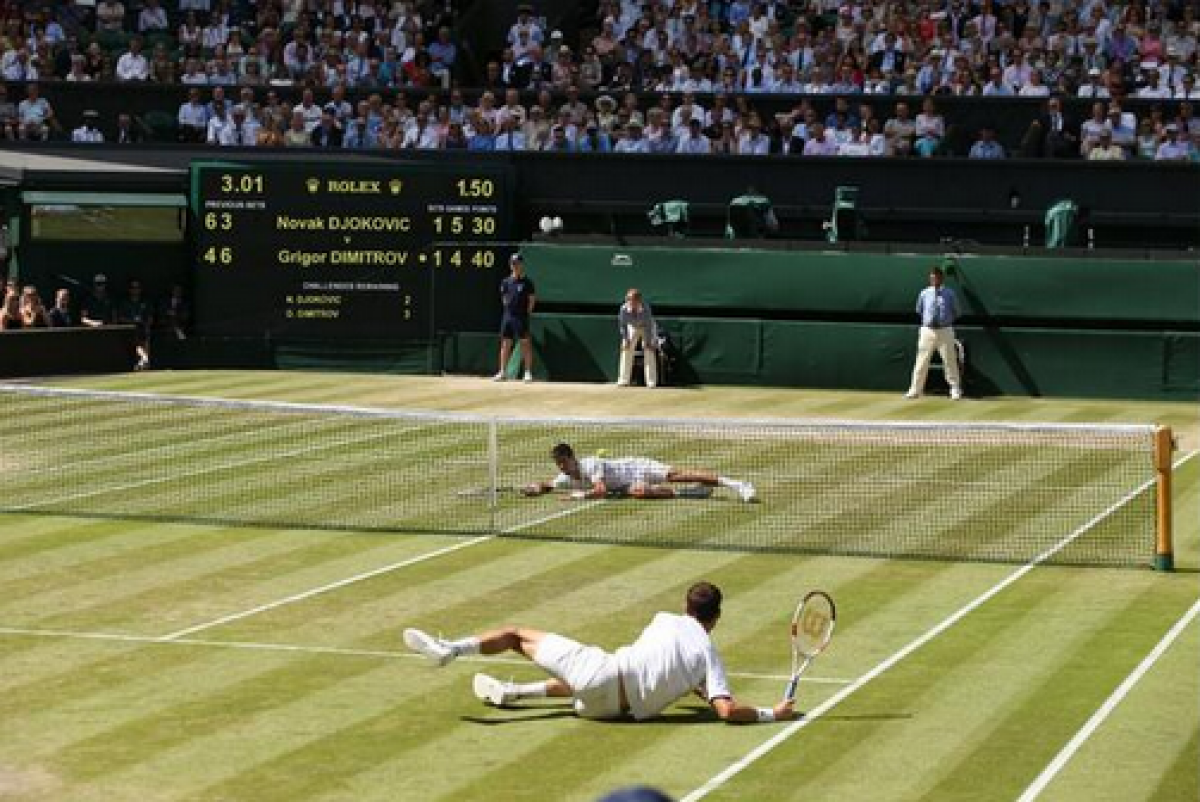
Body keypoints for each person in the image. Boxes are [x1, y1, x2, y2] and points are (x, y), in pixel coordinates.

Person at [403, 581, 795, 724]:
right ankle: (513, 693)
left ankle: (449, 650)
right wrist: (770, 713)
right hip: (607, 712)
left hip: (600, 675)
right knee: (587, 679)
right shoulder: (708, 656)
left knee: (515, 633)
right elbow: (725, 709)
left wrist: (700, 688)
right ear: (717, 617)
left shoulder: (663, 619)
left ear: (685, 606)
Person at [523, 442, 756, 502]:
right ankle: (693, 493)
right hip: (628, 484)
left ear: (573, 458)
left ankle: (737, 485)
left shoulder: (591, 464)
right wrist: (535, 488)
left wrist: (579, 495)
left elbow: (601, 490)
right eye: (559, 464)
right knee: (638, 492)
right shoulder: (565, 477)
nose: (562, 467)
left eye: (564, 462)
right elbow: (549, 485)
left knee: (678, 475)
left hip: (638, 467)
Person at [905, 266, 963, 400]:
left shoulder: (950, 293)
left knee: (949, 361)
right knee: (921, 361)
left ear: (941, 278)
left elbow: (957, 311)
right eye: (932, 277)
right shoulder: (924, 293)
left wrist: (945, 322)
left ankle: (955, 389)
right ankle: (915, 390)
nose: (934, 279)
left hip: (945, 330)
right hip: (927, 330)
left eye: (936, 277)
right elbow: (919, 310)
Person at [494, 252, 536, 382]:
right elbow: (504, 299)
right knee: (505, 344)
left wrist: (525, 313)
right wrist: (509, 311)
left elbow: (532, 301)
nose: (515, 266)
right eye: (513, 263)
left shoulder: (527, 283)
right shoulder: (505, 282)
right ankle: (502, 372)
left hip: (521, 317)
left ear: (521, 265)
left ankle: (528, 372)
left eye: (517, 263)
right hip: (508, 316)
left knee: (525, 343)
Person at [616, 288, 658, 388]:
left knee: (649, 350)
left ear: (638, 300)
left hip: (647, 327)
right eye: (628, 299)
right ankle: (623, 380)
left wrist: (648, 341)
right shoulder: (623, 309)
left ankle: (651, 381)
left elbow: (648, 326)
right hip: (632, 326)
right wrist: (626, 339)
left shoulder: (646, 308)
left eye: (632, 299)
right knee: (626, 349)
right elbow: (623, 325)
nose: (630, 301)